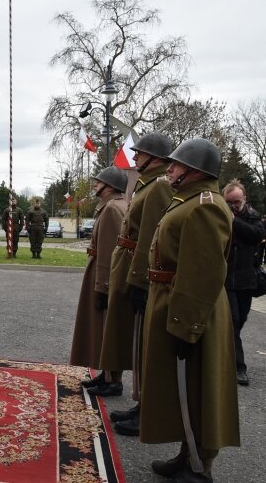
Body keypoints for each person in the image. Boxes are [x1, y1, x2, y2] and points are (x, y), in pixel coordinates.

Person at [140, 138, 238, 483]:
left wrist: (185, 325)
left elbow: (203, 272)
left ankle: (201, 466)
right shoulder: (188, 200)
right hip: (175, 300)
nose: (170, 168)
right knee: (181, 385)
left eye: (177, 165)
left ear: (195, 170)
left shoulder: (204, 206)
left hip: (194, 310)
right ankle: (187, 453)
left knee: (198, 387)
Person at [99, 132, 173, 437]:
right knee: (138, 342)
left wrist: (140, 280)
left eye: (140, 154)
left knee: (145, 343)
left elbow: (148, 240)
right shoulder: (148, 184)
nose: (135, 158)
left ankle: (147, 409)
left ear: (154, 158)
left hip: (140, 269)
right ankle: (141, 404)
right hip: (129, 262)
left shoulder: (157, 187)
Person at [69, 167, 128, 396]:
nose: (95, 185)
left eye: (99, 182)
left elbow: (108, 251)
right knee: (105, 329)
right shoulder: (114, 206)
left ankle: (112, 380)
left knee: (105, 328)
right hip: (104, 274)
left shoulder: (112, 209)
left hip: (104, 276)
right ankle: (107, 375)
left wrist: (102, 285)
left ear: (110, 186)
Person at [222, 180, 263, 387]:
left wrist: (233, 220)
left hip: (246, 280)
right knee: (233, 321)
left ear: (244, 199)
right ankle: (239, 366)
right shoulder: (219, 216)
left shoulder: (253, 216)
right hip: (226, 279)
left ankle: (225, 357)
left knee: (241, 320)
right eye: (228, 202)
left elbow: (256, 235)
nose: (233, 206)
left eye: (236, 202)